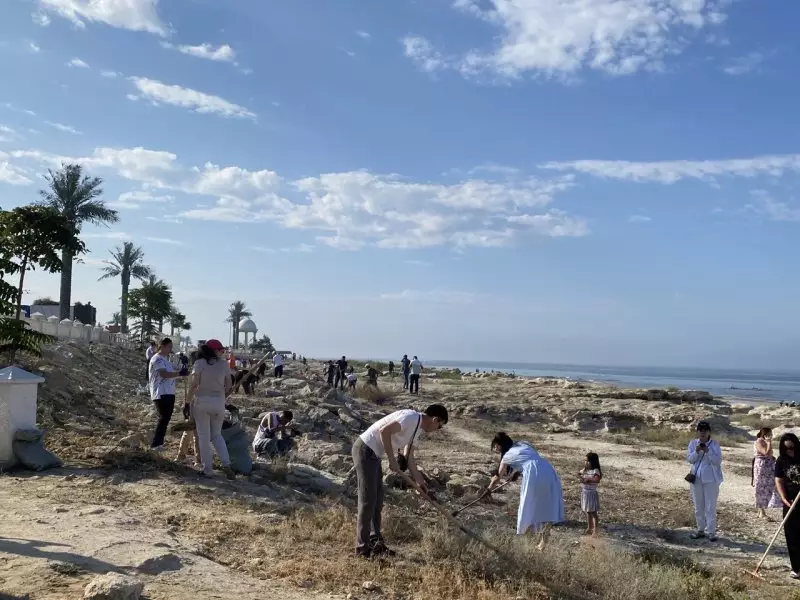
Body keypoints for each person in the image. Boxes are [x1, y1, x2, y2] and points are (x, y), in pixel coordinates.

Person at [352, 404, 449, 558]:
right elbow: (385, 431)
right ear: (435, 419)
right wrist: (391, 459)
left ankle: (376, 543)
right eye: (439, 426)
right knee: (368, 501)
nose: (437, 430)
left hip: (374, 454)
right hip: (365, 449)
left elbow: (409, 457)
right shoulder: (410, 417)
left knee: (377, 501)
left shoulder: (416, 429)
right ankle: (362, 549)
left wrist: (420, 483)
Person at [488, 432, 564, 550]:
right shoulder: (523, 444)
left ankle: (528, 541)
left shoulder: (507, 456)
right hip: (547, 469)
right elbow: (528, 459)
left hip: (534, 474)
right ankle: (542, 544)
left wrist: (488, 490)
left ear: (500, 445)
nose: (496, 449)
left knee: (529, 505)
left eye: (496, 446)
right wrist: (517, 473)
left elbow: (498, 477)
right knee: (547, 506)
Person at [188, 339, 236, 480]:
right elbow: (229, 385)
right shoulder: (224, 364)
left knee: (204, 437)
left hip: (202, 402)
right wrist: (222, 395)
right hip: (219, 403)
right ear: (214, 350)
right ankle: (226, 464)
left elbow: (194, 385)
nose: (222, 352)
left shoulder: (199, 363)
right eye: (220, 350)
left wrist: (187, 402)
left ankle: (208, 469)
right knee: (217, 435)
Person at [686, 420, 724, 541]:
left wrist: (708, 452)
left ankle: (711, 532)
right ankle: (700, 530)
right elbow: (690, 460)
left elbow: (717, 461)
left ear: (709, 432)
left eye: (705, 430)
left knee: (710, 507)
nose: (702, 433)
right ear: (697, 432)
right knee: (698, 506)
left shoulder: (714, 445)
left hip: (711, 480)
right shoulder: (693, 444)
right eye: (700, 430)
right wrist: (696, 452)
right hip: (696, 480)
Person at [148, 338, 186, 450]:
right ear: (162, 346)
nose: (170, 349)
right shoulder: (157, 359)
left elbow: (173, 373)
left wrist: (183, 369)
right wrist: (179, 373)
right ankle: (156, 444)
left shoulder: (167, 361)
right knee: (163, 417)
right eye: (169, 347)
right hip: (160, 392)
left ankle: (159, 443)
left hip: (169, 392)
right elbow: (164, 374)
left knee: (166, 418)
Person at [775, 432, 800, 579]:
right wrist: (784, 498)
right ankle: (796, 568)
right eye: (787, 449)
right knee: (791, 534)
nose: (790, 451)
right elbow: (779, 480)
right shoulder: (781, 460)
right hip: (790, 502)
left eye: (792, 448)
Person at [754, 427, 781, 518]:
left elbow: (769, 453)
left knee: (770, 486)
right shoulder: (759, 441)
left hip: (768, 466)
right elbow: (765, 452)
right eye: (770, 433)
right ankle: (761, 511)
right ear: (765, 434)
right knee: (761, 487)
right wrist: (769, 442)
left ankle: (763, 509)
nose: (771, 435)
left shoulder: (765, 441)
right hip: (762, 466)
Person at [579, 452, 602, 536]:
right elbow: (579, 474)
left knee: (593, 512)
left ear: (593, 462)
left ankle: (595, 530)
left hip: (591, 493)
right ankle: (589, 528)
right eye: (585, 460)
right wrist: (581, 478)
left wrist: (588, 480)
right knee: (587, 511)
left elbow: (597, 480)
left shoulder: (595, 471)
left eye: (587, 461)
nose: (585, 462)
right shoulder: (585, 470)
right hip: (585, 493)